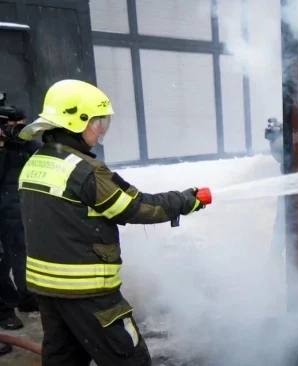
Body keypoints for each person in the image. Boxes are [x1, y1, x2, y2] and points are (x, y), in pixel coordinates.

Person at [17, 79, 207, 366]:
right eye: (97, 121)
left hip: (47, 288)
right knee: (129, 358)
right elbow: (136, 208)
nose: (101, 129)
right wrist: (185, 200)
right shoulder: (84, 172)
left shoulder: (35, 162)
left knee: (63, 358)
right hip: (88, 291)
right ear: (76, 121)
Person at [0, 105, 41, 335]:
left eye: (22, 126)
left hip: (16, 210)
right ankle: (5, 310)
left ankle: (26, 297)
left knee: (21, 254)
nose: (19, 131)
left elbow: (40, 152)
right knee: (1, 263)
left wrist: (22, 140)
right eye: (13, 127)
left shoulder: (23, 145)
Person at [264, 117, 286, 260]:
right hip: (289, 185)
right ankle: (275, 256)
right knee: (282, 221)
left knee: (283, 221)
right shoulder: (279, 142)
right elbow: (280, 156)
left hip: (290, 184)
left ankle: (275, 255)